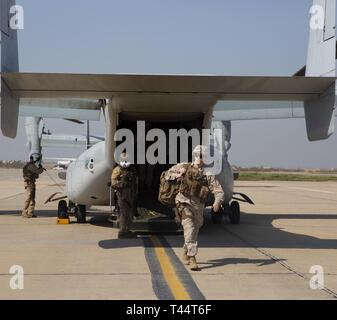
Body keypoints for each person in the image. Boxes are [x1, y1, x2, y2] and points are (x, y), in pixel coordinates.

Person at [167, 145, 224, 271]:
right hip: (184, 202)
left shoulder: (208, 174)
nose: (199, 158)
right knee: (190, 227)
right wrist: (177, 174)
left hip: (198, 206)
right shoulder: (184, 167)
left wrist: (217, 202)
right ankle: (192, 257)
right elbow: (167, 174)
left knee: (196, 228)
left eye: (202, 156)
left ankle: (185, 250)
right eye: (198, 155)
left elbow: (218, 190)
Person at [111, 152, 138, 239]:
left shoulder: (132, 170)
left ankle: (127, 230)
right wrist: (122, 183)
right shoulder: (118, 170)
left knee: (130, 214)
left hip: (131, 195)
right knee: (124, 214)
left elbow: (136, 182)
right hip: (122, 195)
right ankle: (122, 232)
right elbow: (113, 183)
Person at [22, 153, 45, 218]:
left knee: (32, 199)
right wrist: (41, 168)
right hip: (29, 183)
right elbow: (38, 171)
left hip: (31, 183)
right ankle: (24, 213)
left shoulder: (31, 165)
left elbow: (36, 175)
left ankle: (30, 213)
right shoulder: (30, 166)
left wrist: (40, 168)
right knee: (28, 198)